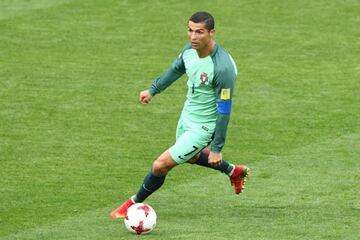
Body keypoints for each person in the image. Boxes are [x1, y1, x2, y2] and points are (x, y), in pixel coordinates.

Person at [110, 11, 249, 219]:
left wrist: (217, 148)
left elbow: (224, 110)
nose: (193, 37)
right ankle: (233, 171)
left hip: (204, 125)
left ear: (212, 33)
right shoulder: (189, 51)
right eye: (190, 31)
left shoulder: (222, 68)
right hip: (187, 115)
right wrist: (153, 90)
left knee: (160, 165)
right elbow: (175, 70)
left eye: (199, 32)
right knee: (192, 157)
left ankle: (132, 204)